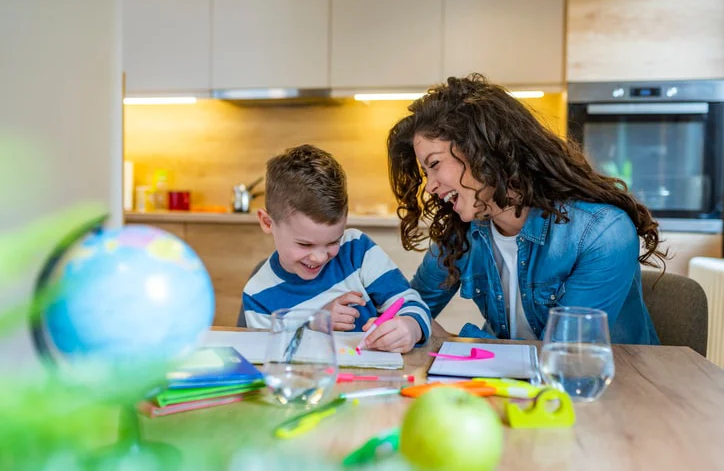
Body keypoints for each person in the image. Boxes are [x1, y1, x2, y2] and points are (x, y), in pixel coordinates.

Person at [386, 74, 666, 344]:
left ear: (480, 150)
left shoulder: (602, 234)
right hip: (511, 387)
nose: (429, 187)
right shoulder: (462, 233)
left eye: (434, 165)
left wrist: (454, 342)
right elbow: (408, 308)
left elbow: (564, 357)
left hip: (610, 389)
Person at [242, 144, 431, 353]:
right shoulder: (258, 295)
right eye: (305, 244)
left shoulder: (356, 251)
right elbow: (271, 358)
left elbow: (410, 303)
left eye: (333, 242)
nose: (320, 257)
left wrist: (411, 327)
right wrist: (316, 324)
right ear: (268, 223)